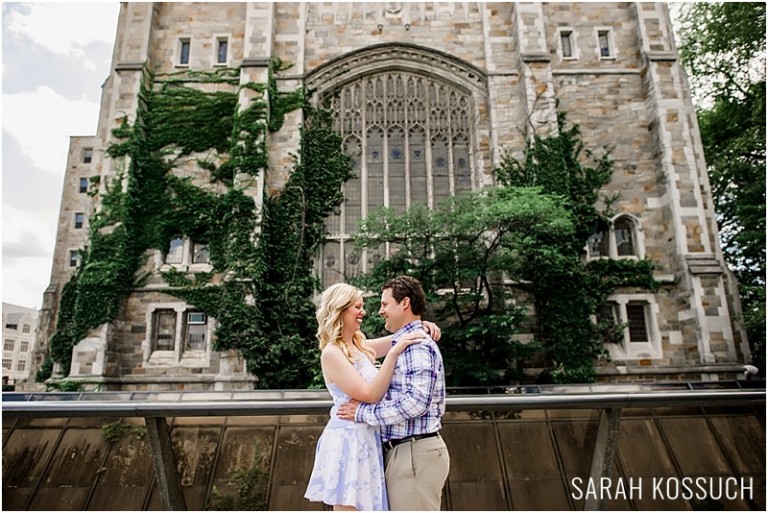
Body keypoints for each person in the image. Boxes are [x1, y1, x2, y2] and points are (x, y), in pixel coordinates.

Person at [304, 283, 441, 511]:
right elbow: (370, 394)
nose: (363, 312)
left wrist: (422, 326)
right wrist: (394, 354)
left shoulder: (358, 346)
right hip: (348, 440)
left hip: (367, 437)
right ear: (340, 310)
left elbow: (400, 336)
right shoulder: (332, 353)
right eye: (357, 307)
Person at [338, 275, 450, 511]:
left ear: (405, 304)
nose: (379, 311)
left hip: (413, 453)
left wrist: (362, 413)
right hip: (403, 453)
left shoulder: (416, 345)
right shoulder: (406, 341)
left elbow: (415, 403)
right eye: (357, 307)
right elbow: (361, 349)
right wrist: (421, 325)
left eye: (385, 304)